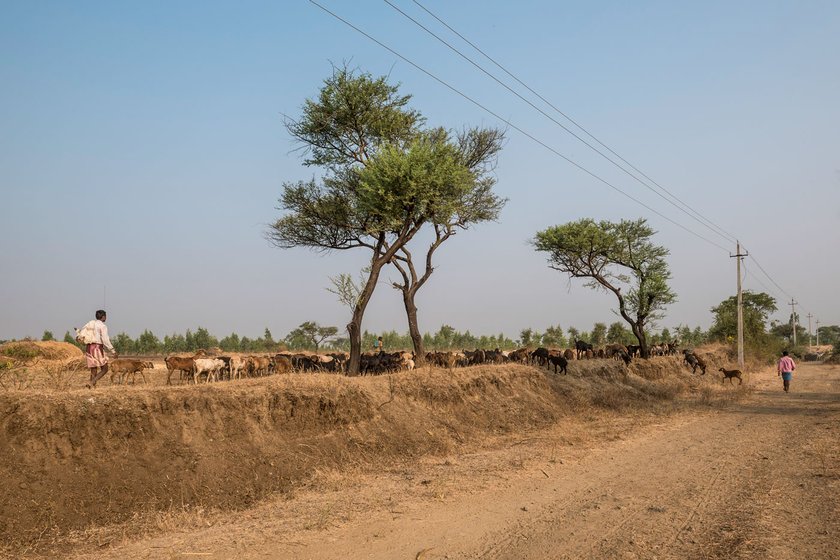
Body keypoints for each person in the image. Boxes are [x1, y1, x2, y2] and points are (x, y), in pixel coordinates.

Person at [84, 309, 117, 387]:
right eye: (105, 316)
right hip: (97, 348)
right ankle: (92, 382)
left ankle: (91, 387)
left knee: (93, 368)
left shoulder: (91, 324)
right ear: (103, 317)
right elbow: (105, 339)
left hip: (89, 347)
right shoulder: (102, 326)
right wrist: (113, 351)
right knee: (105, 369)